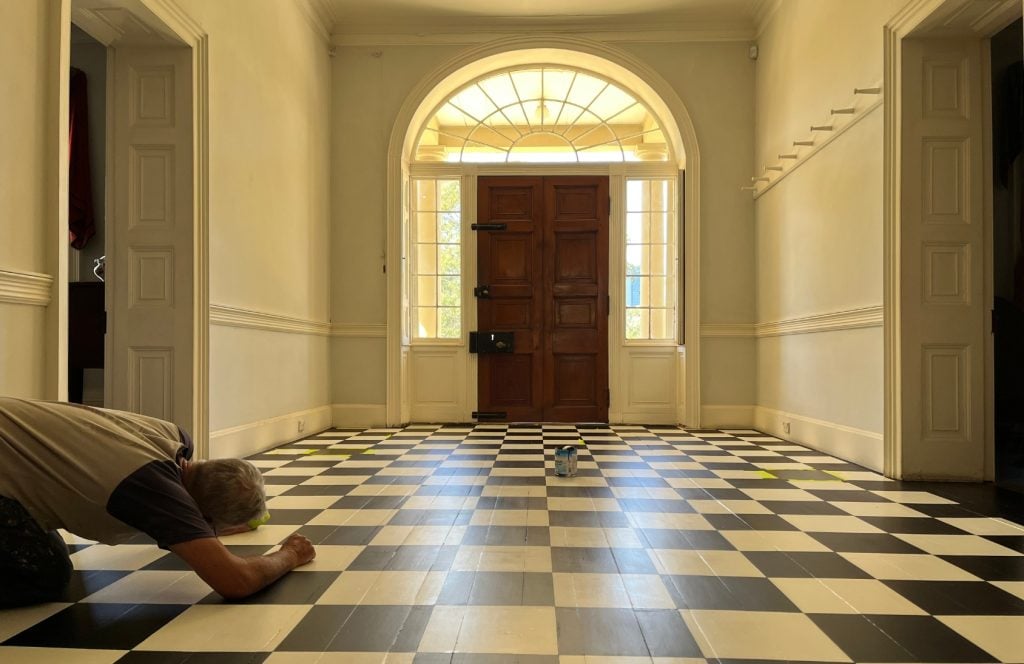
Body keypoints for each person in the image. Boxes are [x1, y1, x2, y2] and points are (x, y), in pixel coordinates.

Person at [0, 397, 315, 607]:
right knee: (45, 572)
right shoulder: (153, 489)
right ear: (202, 514)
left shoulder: (175, 439)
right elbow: (236, 581)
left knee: (41, 547)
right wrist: (290, 554)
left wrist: (204, 529)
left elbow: (176, 515)